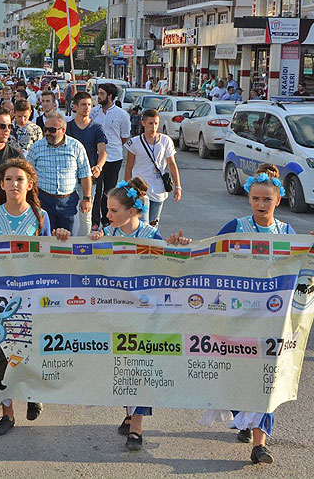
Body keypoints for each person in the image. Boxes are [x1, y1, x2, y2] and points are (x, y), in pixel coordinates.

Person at [211, 163, 314, 465]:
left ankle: (260, 444)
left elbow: (304, 263)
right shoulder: (237, 226)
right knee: (238, 372)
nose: (261, 204)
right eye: (255, 199)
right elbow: (209, 254)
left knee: (267, 377)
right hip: (238, 315)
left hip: (272, 317)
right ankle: (243, 416)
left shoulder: (286, 232)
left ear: (279, 200)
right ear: (248, 198)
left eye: (267, 199)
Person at [0, 159, 71, 434]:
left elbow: (48, 252)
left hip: (31, 294)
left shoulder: (41, 216)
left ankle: (33, 393)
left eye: (20, 179)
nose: (14, 184)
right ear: (1, 185)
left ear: (30, 184)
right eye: (9, 179)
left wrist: (60, 237)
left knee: (30, 347)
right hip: (2, 295)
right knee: (4, 348)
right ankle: (7, 413)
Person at [87, 177, 189, 450]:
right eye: (107, 209)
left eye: (114, 210)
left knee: (141, 367)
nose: (108, 215)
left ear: (132, 211)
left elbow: (169, 266)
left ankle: (137, 428)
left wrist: (177, 246)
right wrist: (92, 243)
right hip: (116, 313)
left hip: (145, 314)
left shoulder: (150, 236)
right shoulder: (107, 235)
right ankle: (130, 413)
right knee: (122, 366)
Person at [26, 114, 92, 232]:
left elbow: (85, 174)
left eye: (52, 130)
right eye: (46, 129)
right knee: (45, 237)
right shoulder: (36, 148)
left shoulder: (76, 147)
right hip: (43, 200)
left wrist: (87, 198)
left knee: (66, 237)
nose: (47, 133)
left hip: (68, 202)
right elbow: (27, 175)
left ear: (63, 130)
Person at [124, 109, 182, 226]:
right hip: (140, 188)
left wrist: (178, 186)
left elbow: (172, 164)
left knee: (153, 224)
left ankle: (151, 238)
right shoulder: (134, 143)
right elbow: (129, 167)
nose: (153, 127)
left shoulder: (166, 140)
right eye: (150, 123)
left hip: (158, 188)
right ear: (143, 123)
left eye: (156, 123)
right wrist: (127, 187)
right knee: (142, 224)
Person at [90, 84, 132, 227]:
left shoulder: (122, 115)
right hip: (96, 158)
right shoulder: (93, 112)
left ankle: (107, 220)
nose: (99, 96)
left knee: (109, 191)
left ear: (110, 96)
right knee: (96, 190)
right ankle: (95, 221)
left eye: (102, 94)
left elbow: (124, 137)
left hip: (114, 157)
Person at [66, 92, 108, 230]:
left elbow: (103, 152)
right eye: (83, 104)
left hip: (89, 178)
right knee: (69, 214)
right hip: (69, 178)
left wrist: (99, 167)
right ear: (75, 106)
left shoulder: (96, 128)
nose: (87, 108)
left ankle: (85, 241)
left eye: (89, 104)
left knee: (86, 215)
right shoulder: (67, 127)